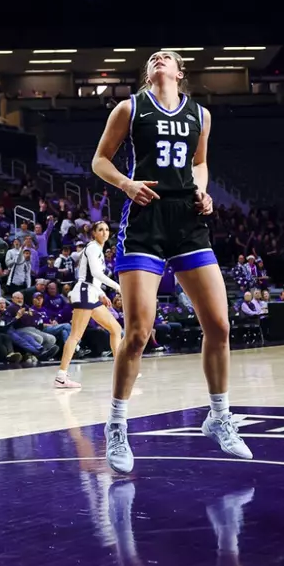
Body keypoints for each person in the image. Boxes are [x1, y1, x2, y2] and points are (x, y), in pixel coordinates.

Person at [89, 50, 251, 472]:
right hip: (145, 220)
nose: (160, 58)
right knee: (138, 333)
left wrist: (203, 190)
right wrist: (126, 184)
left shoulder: (200, 114)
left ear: (180, 73)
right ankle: (116, 425)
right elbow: (99, 160)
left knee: (219, 325)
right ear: (149, 73)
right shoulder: (130, 108)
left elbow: (200, 163)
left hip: (188, 221)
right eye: (154, 58)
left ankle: (219, 416)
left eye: (168, 57)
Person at [53, 221, 125, 388]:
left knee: (115, 329)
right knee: (75, 335)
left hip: (92, 293)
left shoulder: (98, 249)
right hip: (84, 292)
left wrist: (101, 294)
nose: (105, 232)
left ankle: (120, 370)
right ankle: (61, 376)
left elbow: (93, 278)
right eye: (100, 230)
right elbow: (95, 273)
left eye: (107, 229)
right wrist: (118, 287)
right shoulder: (92, 247)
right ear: (93, 233)